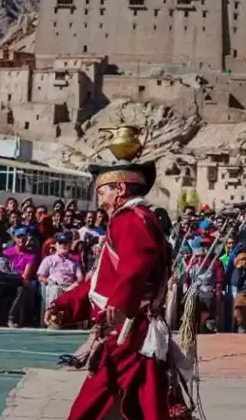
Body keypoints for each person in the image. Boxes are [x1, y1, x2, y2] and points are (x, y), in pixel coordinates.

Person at [48, 130, 190, 420]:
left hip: (127, 332)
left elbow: (136, 265)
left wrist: (120, 301)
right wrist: (63, 306)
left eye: (102, 191)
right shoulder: (132, 221)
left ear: (120, 190)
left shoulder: (130, 220)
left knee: (92, 407)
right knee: (145, 405)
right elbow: (99, 284)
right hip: (130, 329)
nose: (100, 200)